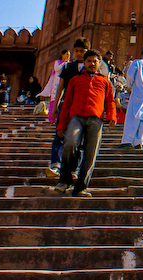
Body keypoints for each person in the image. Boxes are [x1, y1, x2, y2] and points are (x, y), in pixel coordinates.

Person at [55, 49, 116, 197]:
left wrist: (112, 117)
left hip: (95, 118)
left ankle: (81, 186)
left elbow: (110, 101)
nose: (92, 63)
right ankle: (65, 179)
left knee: (90, 153)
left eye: (95, 61)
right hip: (76, 117)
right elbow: (67, 103)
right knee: (70, 142)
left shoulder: (104, 81)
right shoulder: (75, 80)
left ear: (99, 63)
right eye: (89, 61)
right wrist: (61, 125)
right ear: (85, 62)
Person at [48, 38, 90, 177]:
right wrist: (55, 106)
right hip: (66, 105)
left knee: (80, 139)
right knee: (59, 134)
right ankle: (55, 165)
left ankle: (74, 168)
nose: (79, 54)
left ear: (87, 51)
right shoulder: (68, 67)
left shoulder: (90, 68)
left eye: (82, 51)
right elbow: (61, 86)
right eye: (77, 51)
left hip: (82, 107)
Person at [118, 44, 143, 149]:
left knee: (133, 115)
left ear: (141, 52)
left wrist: (130, 86)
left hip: (138, 90)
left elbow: (130, 76)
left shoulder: (137, 62)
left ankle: (127, 140)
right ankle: (139, 142)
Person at [40, 49, 71, 122]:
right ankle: (51, 118)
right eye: (66, 54)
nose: (68, 56)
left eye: (69, 55)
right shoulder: (58, 62)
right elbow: (56, 69)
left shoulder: (69, 64)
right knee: (54, 99)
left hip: (64, 83)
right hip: (56, 83)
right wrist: (64, 63)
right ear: (62, 55)